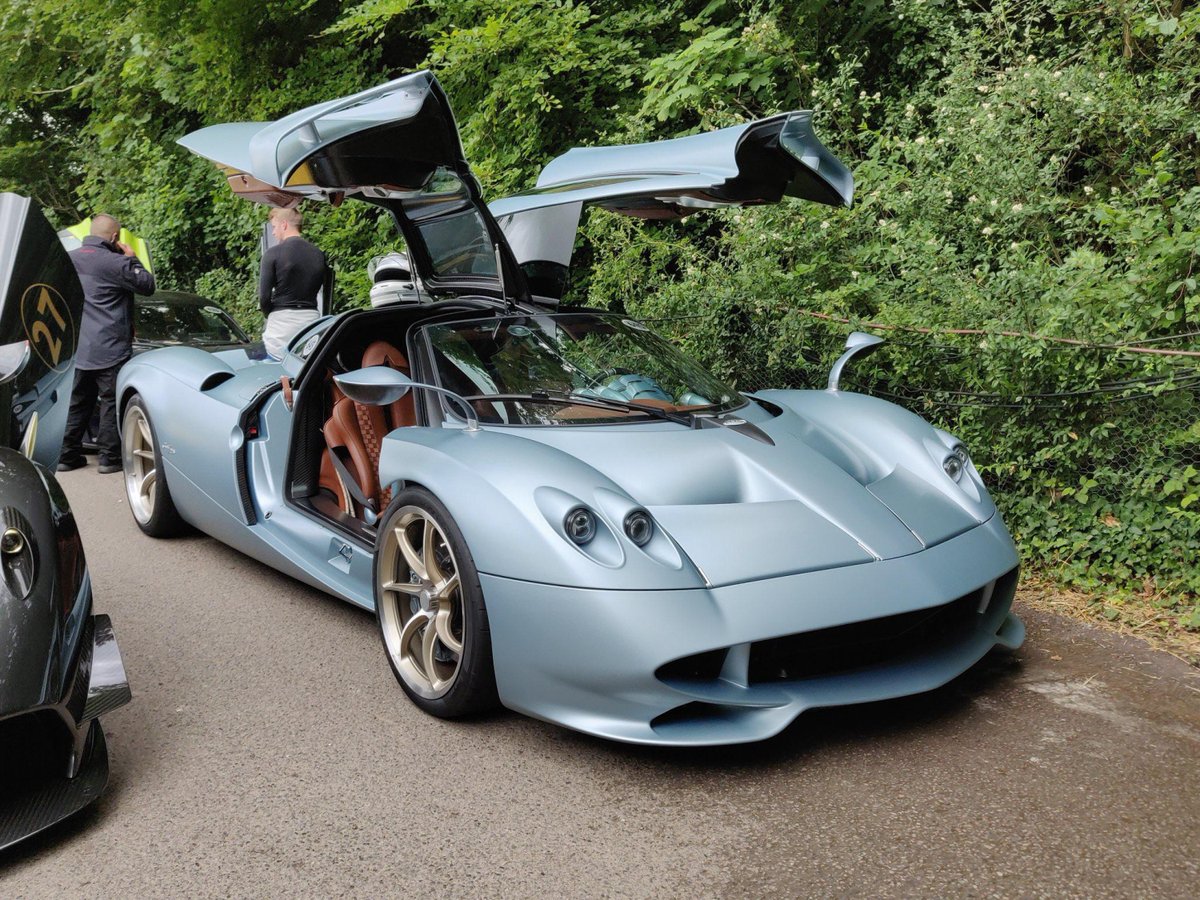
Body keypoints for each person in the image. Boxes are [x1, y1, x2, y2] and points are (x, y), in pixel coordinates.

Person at [59, 214, 156, 474]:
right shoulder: (116, 263)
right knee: (110, 401)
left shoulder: (67, 260)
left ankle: (67, 456)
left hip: (79, 347)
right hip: (110, 347)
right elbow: (148, 285)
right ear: (115, 237)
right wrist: (132, 257)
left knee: (78, 402)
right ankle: (108, 459)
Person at [259, 206, 329, 359]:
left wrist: (271, 313)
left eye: (274, 227)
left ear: (284, 224)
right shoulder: (318, 254)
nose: (273, 232)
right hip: (310, 323)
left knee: (275, 372)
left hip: (281, 326)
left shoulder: (272, 254)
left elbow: (264, 299)